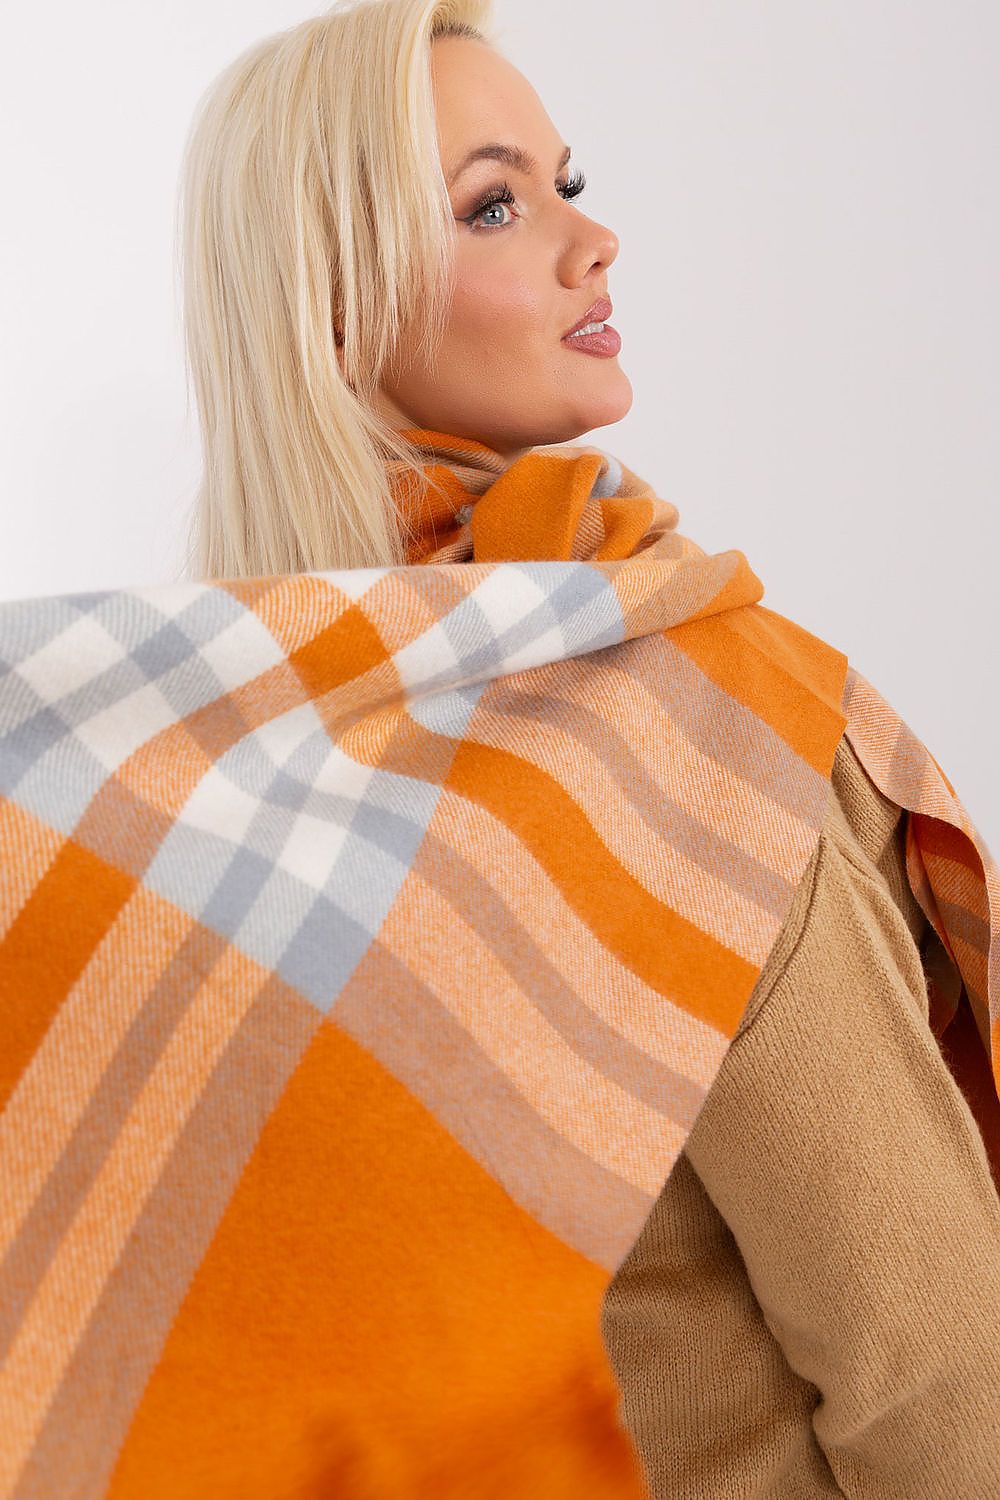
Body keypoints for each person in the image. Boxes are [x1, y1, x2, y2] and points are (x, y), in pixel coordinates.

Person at [0, 2, 996, 1497]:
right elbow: (932, 1362)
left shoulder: (198, 782)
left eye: (566, 183)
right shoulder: (699, 726)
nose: (595, 244)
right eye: (493, 205)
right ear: (337, 304)